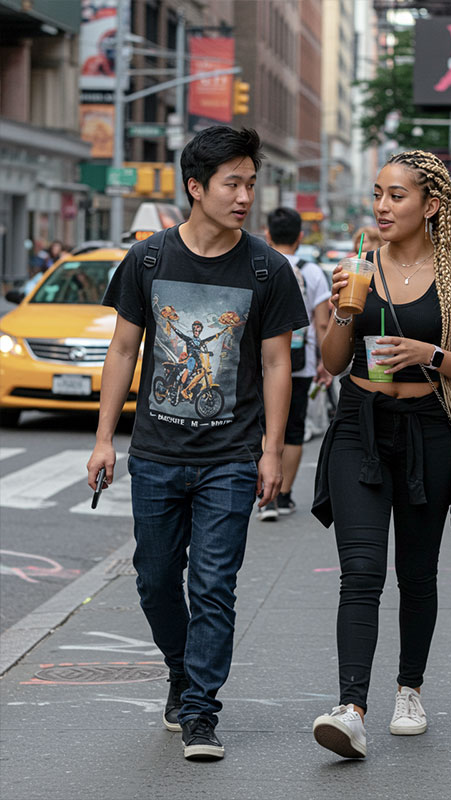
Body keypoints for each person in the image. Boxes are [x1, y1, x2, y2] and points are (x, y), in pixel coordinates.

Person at [86, 126, 308, 762]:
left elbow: (274, 365)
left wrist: (270, 451)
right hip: (155, 454)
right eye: (231, 183)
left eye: (250, 183)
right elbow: (123, 350)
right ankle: (182, 675)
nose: (244, 196)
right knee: (155, 581)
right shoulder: (149, 260)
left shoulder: (268, 267)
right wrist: (104, 440)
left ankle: (201, 711)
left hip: (231, 458)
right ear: (196, 187)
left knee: (213, 585)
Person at [310, 150, 451, 759]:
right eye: (378, 195)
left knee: (416, 573)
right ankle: (351, 707)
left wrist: (426, 353)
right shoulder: (355, 266)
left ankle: (408, 688)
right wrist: (344, 312)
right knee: (360, 571)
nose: (382, 207)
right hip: (359, 424)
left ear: (430, 206)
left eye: (396, 196)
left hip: (429, 428)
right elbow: (333, 363)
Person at [258, 207, 332, 521]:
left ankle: (265, 495)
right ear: (300, 237)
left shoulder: (259, 264)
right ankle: (283, 494)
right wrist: (325, 363)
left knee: (263, 424)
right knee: (293, 428)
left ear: (268, 235)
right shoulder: (311, 271)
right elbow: (323, 322)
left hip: (260, 363)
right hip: (299, 364)